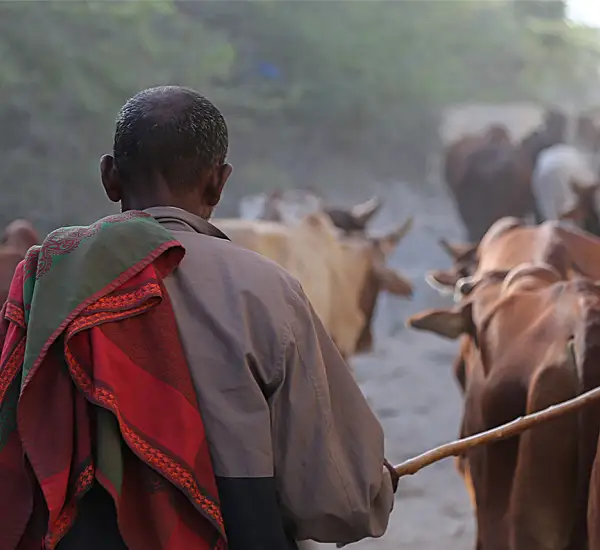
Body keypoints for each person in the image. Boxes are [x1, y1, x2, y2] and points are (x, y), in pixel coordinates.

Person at [0, 86, 397, 549]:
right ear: (219, 182)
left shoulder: (44, 276)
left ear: (109, 176)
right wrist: (374, 489)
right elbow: (339, 504)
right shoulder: (264, 288)